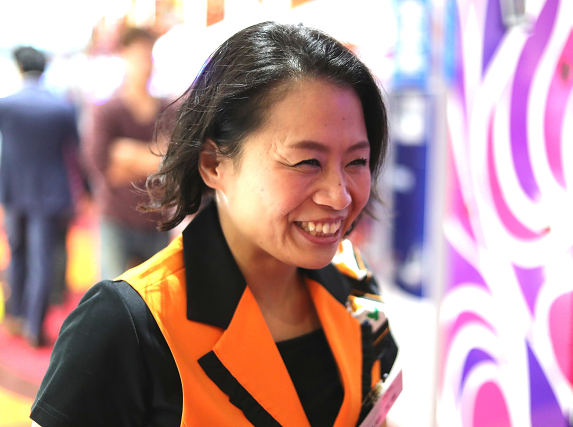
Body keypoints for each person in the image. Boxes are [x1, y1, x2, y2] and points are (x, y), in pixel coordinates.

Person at [31, 21, 398, 427]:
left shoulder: (352, 279)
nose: (340, 196)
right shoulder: (127, 324)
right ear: (214, 164)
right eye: (307, 162)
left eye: (357, 161)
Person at [0, 46, 79, 347]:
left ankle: (15, 315)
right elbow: (75, 151)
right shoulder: (62, 107)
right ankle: (35, 325)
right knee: (42, 259)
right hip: (50, 193)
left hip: (12, 190)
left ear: (19, 68)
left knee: (16, 253)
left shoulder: (6, 105)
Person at [83, 26, 171, 281]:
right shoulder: (107, 111)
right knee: (112, 294)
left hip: (157, 220)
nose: (145, 63)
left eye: (149, 54)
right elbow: (102, 168)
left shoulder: (169, 109)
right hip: (116, 218)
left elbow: (174, 164)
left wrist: (126, 153)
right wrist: (155, 159)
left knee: (156, 296)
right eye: (138, 54)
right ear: (124, 56)